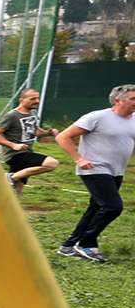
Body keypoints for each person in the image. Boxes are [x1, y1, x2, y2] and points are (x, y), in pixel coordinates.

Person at [54, 84, 135, 261]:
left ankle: (68, 246)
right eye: (133, 99)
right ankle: (86, 243)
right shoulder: (97, 117)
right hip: (95, 169)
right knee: (113, 207)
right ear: (118, 100)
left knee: (97, 207)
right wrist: (79, 159)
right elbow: (62, 137)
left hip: (116, 171)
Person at [0, 88, 59, 194]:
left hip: (27, 152)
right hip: (15, 155)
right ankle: (11, 177)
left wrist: (47, 133)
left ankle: (6, 207)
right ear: (22, 100)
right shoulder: (12, 116)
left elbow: (34, 131)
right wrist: (13, 145)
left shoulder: (33, 113)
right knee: (52, 163)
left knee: (17, 188)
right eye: (33, 99)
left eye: (37, 98)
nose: (37, 101)